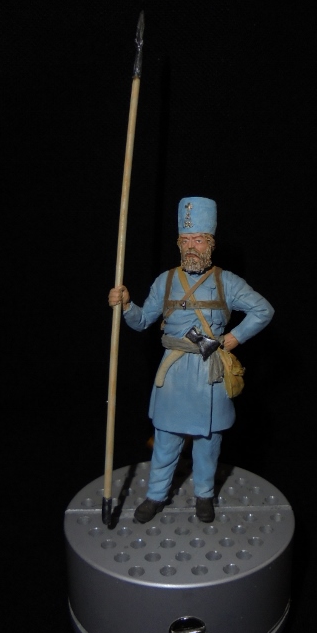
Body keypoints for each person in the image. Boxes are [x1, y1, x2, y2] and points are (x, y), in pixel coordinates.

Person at [108, 197, 274, 523]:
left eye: (198, 240)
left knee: (207, 443)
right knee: (165, 440)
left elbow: (263, 310)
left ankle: (205, 495)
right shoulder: (165, 281)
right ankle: (156, 495)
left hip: (210, 371)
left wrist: (234, 338)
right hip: (172, 374)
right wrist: (126, 305)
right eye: (185, 240)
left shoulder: (227, 282)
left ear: (210, 244)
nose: (191, 247)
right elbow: (142, 321)